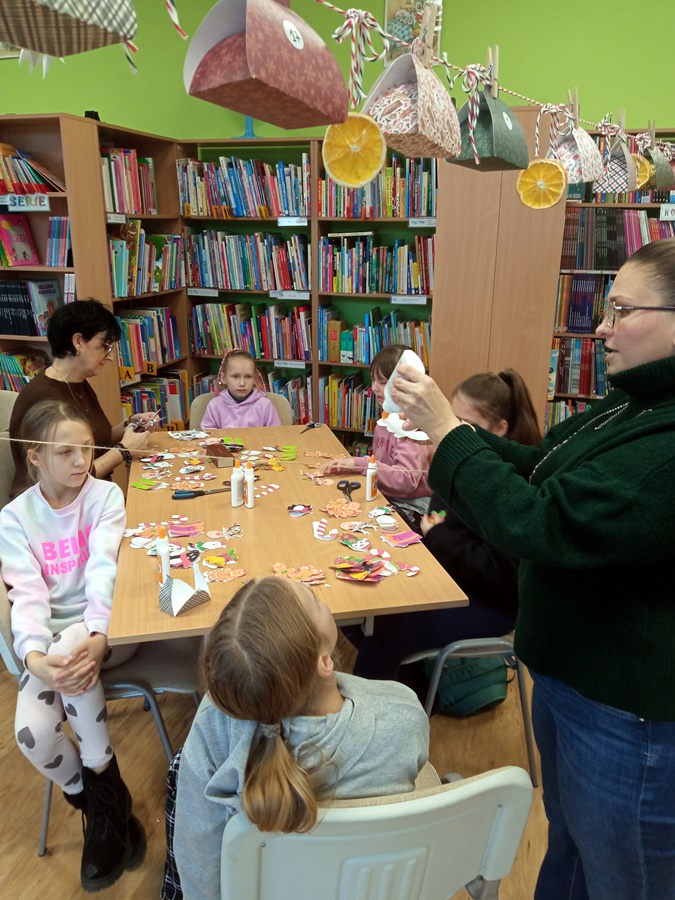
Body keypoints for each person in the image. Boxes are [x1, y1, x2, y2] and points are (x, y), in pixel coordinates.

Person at [390, 238, 675, 900]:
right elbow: (542, 470)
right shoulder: (632, 406)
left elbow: (540, 521)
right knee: (569, 849)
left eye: (620, 310)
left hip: (624, 719)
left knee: (619, 877)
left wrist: (446, 431)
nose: (600, 328)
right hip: (574, 685)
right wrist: (448, 435)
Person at [162, 576, 429, 899]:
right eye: (316, 599)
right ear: (324, 661)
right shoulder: (402, 712)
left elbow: (198, 859)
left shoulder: (214, 726)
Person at [0, 400, 145, 892]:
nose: (82, 461)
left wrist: (100, 634)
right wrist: (34, 658)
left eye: (86, 448)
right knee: (32, 735)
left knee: (74, 650)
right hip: (51, 649)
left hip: (107, 632)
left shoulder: (105, 497)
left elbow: (104, 571)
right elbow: (28, 594)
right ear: (34, 456)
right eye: (66, 451)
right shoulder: (15, 518)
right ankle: (104, 798)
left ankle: (106, 817)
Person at [350, 368, 542, 682]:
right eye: (451, 418)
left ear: (500, 428)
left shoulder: (511, 481)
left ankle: (380, 715)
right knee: (366, 604)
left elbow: (501, 573)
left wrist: (437, 535)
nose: (452, 430)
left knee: (384, 626)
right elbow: (440, 515)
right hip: (449, 581)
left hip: (490, 604)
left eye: (466, 424)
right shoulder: (464, 456)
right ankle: (411, 684)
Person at [9, 298, 157, 499]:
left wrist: (128, 425)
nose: (110, 357)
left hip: (88, 498)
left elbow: (94, 439)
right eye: (105, 346)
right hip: (55, 508)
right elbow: (68, 476)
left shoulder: (76, 382)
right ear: (78, 342)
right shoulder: (44, 398)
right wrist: (124, 451)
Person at [318, 344, 435, 526]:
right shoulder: (387, 418)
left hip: (414, 508)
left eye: (383, 382)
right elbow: (383, 466)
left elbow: (406, 480)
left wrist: (360, 464)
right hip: (388, 496)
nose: (374, 388)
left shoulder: (413, 426)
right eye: (373, 380)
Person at [200, 349, 281, 429]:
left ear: (254, 379)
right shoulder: (215, 406)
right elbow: (208, 435)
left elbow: (275, 435)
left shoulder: (265, 405)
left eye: (248, 377)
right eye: (235, 376)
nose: (242, 383)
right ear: (223, 378)